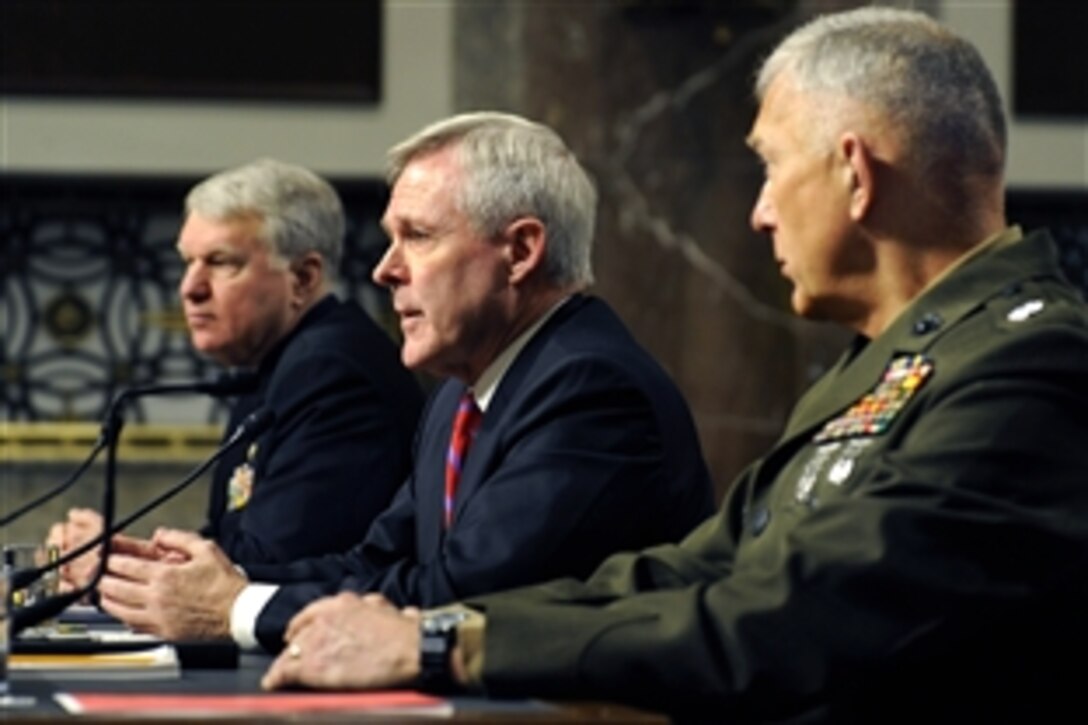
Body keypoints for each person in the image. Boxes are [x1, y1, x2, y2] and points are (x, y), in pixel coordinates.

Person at [256, 8, 1088, 722]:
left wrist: (448, 641)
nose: (759, 213)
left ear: (855, 175)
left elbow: (790, 613)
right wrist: (432, 627)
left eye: (769, 166)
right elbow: (695, 566)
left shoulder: (1029, 366)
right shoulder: (880, 364)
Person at [95, 113, 716, 650]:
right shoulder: (459, 391)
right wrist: (216, 580)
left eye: (417, 236)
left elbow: (463, 597)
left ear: (521, 251)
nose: (385, 270)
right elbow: (377, 562)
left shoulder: (590, 388)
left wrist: (236, 609)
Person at [48, 158, 424, 583]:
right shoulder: (276, 363)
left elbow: (271, 567)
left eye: (221, 262)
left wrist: (114, 571)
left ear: (303, 278)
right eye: (188, 261)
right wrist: (124, 557)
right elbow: (235, 542)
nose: (190, 288)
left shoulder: (331, 372)